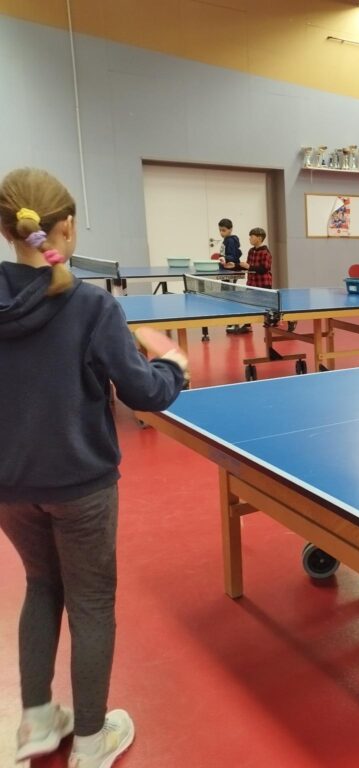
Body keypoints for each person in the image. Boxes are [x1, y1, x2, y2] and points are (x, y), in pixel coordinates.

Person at [0, 168, 189, 768]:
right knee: (90, 601)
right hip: (80, 484)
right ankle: (89, 740)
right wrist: (174, 363)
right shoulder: (90, 305)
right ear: (67, 227)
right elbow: (145, 394)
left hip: (9, 486)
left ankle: (36, 723)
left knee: (41, 584)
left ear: (7, 231)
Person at [232, 227, 273, 334]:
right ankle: (247, 326)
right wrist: (235, 265)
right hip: (251, 283)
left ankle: (272, 322)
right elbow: (247, 266)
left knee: (267, 306)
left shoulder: (265, 252)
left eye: (251, 236)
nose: (249, 238)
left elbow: (264, 269)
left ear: (259, 238)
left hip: (263, 284)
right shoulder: (251, 251)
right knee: (248, 305)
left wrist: (249, 267)